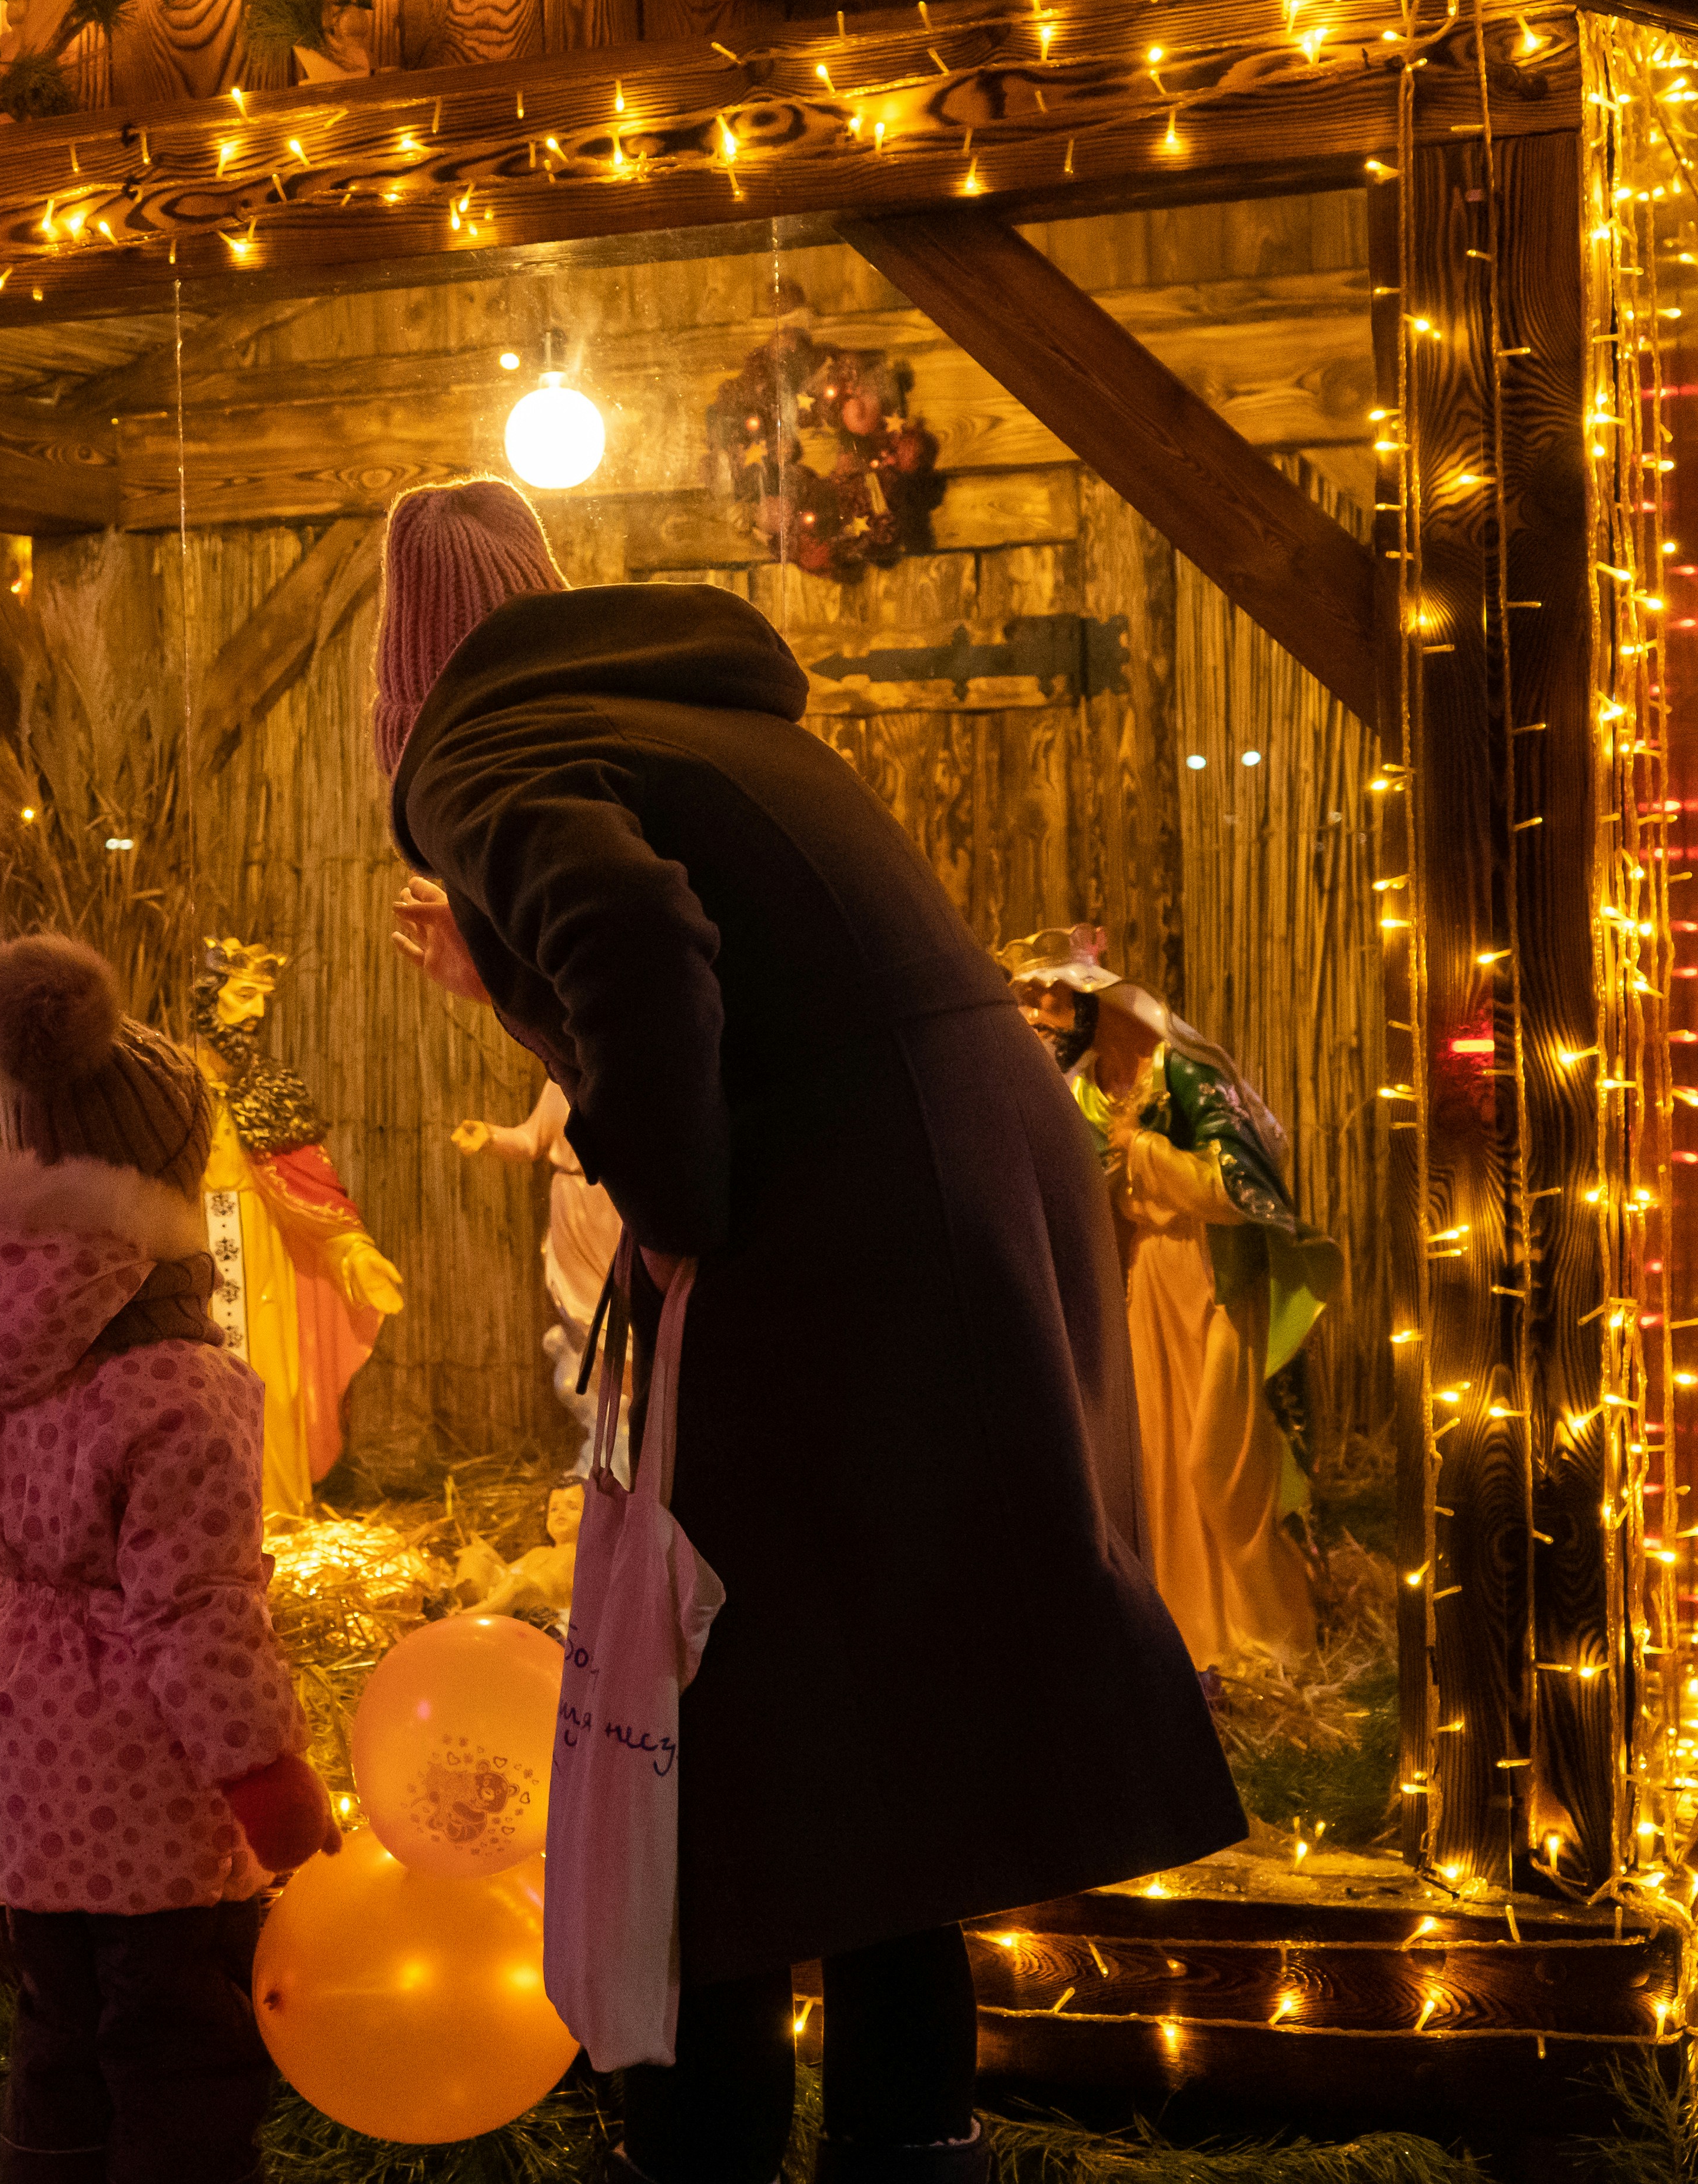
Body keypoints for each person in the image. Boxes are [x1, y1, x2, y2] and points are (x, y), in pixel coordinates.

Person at [373, 476, 1243, 2184]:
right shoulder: (676, 713)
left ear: (404, 676)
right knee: (887, 1723)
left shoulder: (476, 750)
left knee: (726, 1722)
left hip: (837, 1230)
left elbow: (630, 932)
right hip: (969, 1197)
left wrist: (670, 1196)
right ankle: (913, 2141)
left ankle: (707, 2156)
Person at [0, 933, 342, 2184]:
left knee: (55, 2036)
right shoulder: (181, 1385)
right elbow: (197, 1610)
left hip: (15, 1754)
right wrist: (266, 1771)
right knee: (182, 2053)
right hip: (148, 1791)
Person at [1002, 927, 1332, 1674]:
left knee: (1219, 1460)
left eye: (1047, 1005)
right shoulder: (1087, 1089)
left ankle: (1276, 1634)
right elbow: (1096, 1194)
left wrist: (1144, 1157)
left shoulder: (1183, 1070)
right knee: (1159, 1466)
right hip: (1152, 1283)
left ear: (1086, 996)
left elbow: (1239, 1187)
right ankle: (1197, 1636)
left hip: (1217, 1282)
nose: (1040, 1025)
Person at [185, 934, 404, 1515]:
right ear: (210, 995)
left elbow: (310, 1181)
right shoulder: (174, 1082)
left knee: (271, 1385)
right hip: (189, 1247)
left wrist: (353, 1250)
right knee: (193, 1386)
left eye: (263, 998)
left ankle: (274, 1512)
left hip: (263, 1250)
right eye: (245, 994)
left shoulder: (273, 1088)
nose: (255, 1011)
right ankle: (196, 1518)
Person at [451, 1077, 620, 1472]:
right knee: (582, 1321)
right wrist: (490, 1137)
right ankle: (604, 1439)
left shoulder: (625, 1061)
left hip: (615, 1209)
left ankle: (630, 1436)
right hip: (570, 1206)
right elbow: (533, 1141)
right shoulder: (559, 1077)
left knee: (624, 1325)